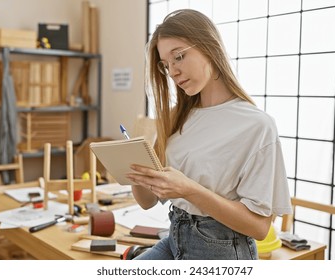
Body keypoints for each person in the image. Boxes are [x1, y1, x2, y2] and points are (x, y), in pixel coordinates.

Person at [125, 9, 292, 260]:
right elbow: (147, 201)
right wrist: (136, 174)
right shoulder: (176, 117)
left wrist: (189, 190)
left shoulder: (257, 126)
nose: (172, 72)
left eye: (179, 57)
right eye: (166, 65)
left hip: (222, 250)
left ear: (209, 47)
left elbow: (259, 227)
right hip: (174, 239)